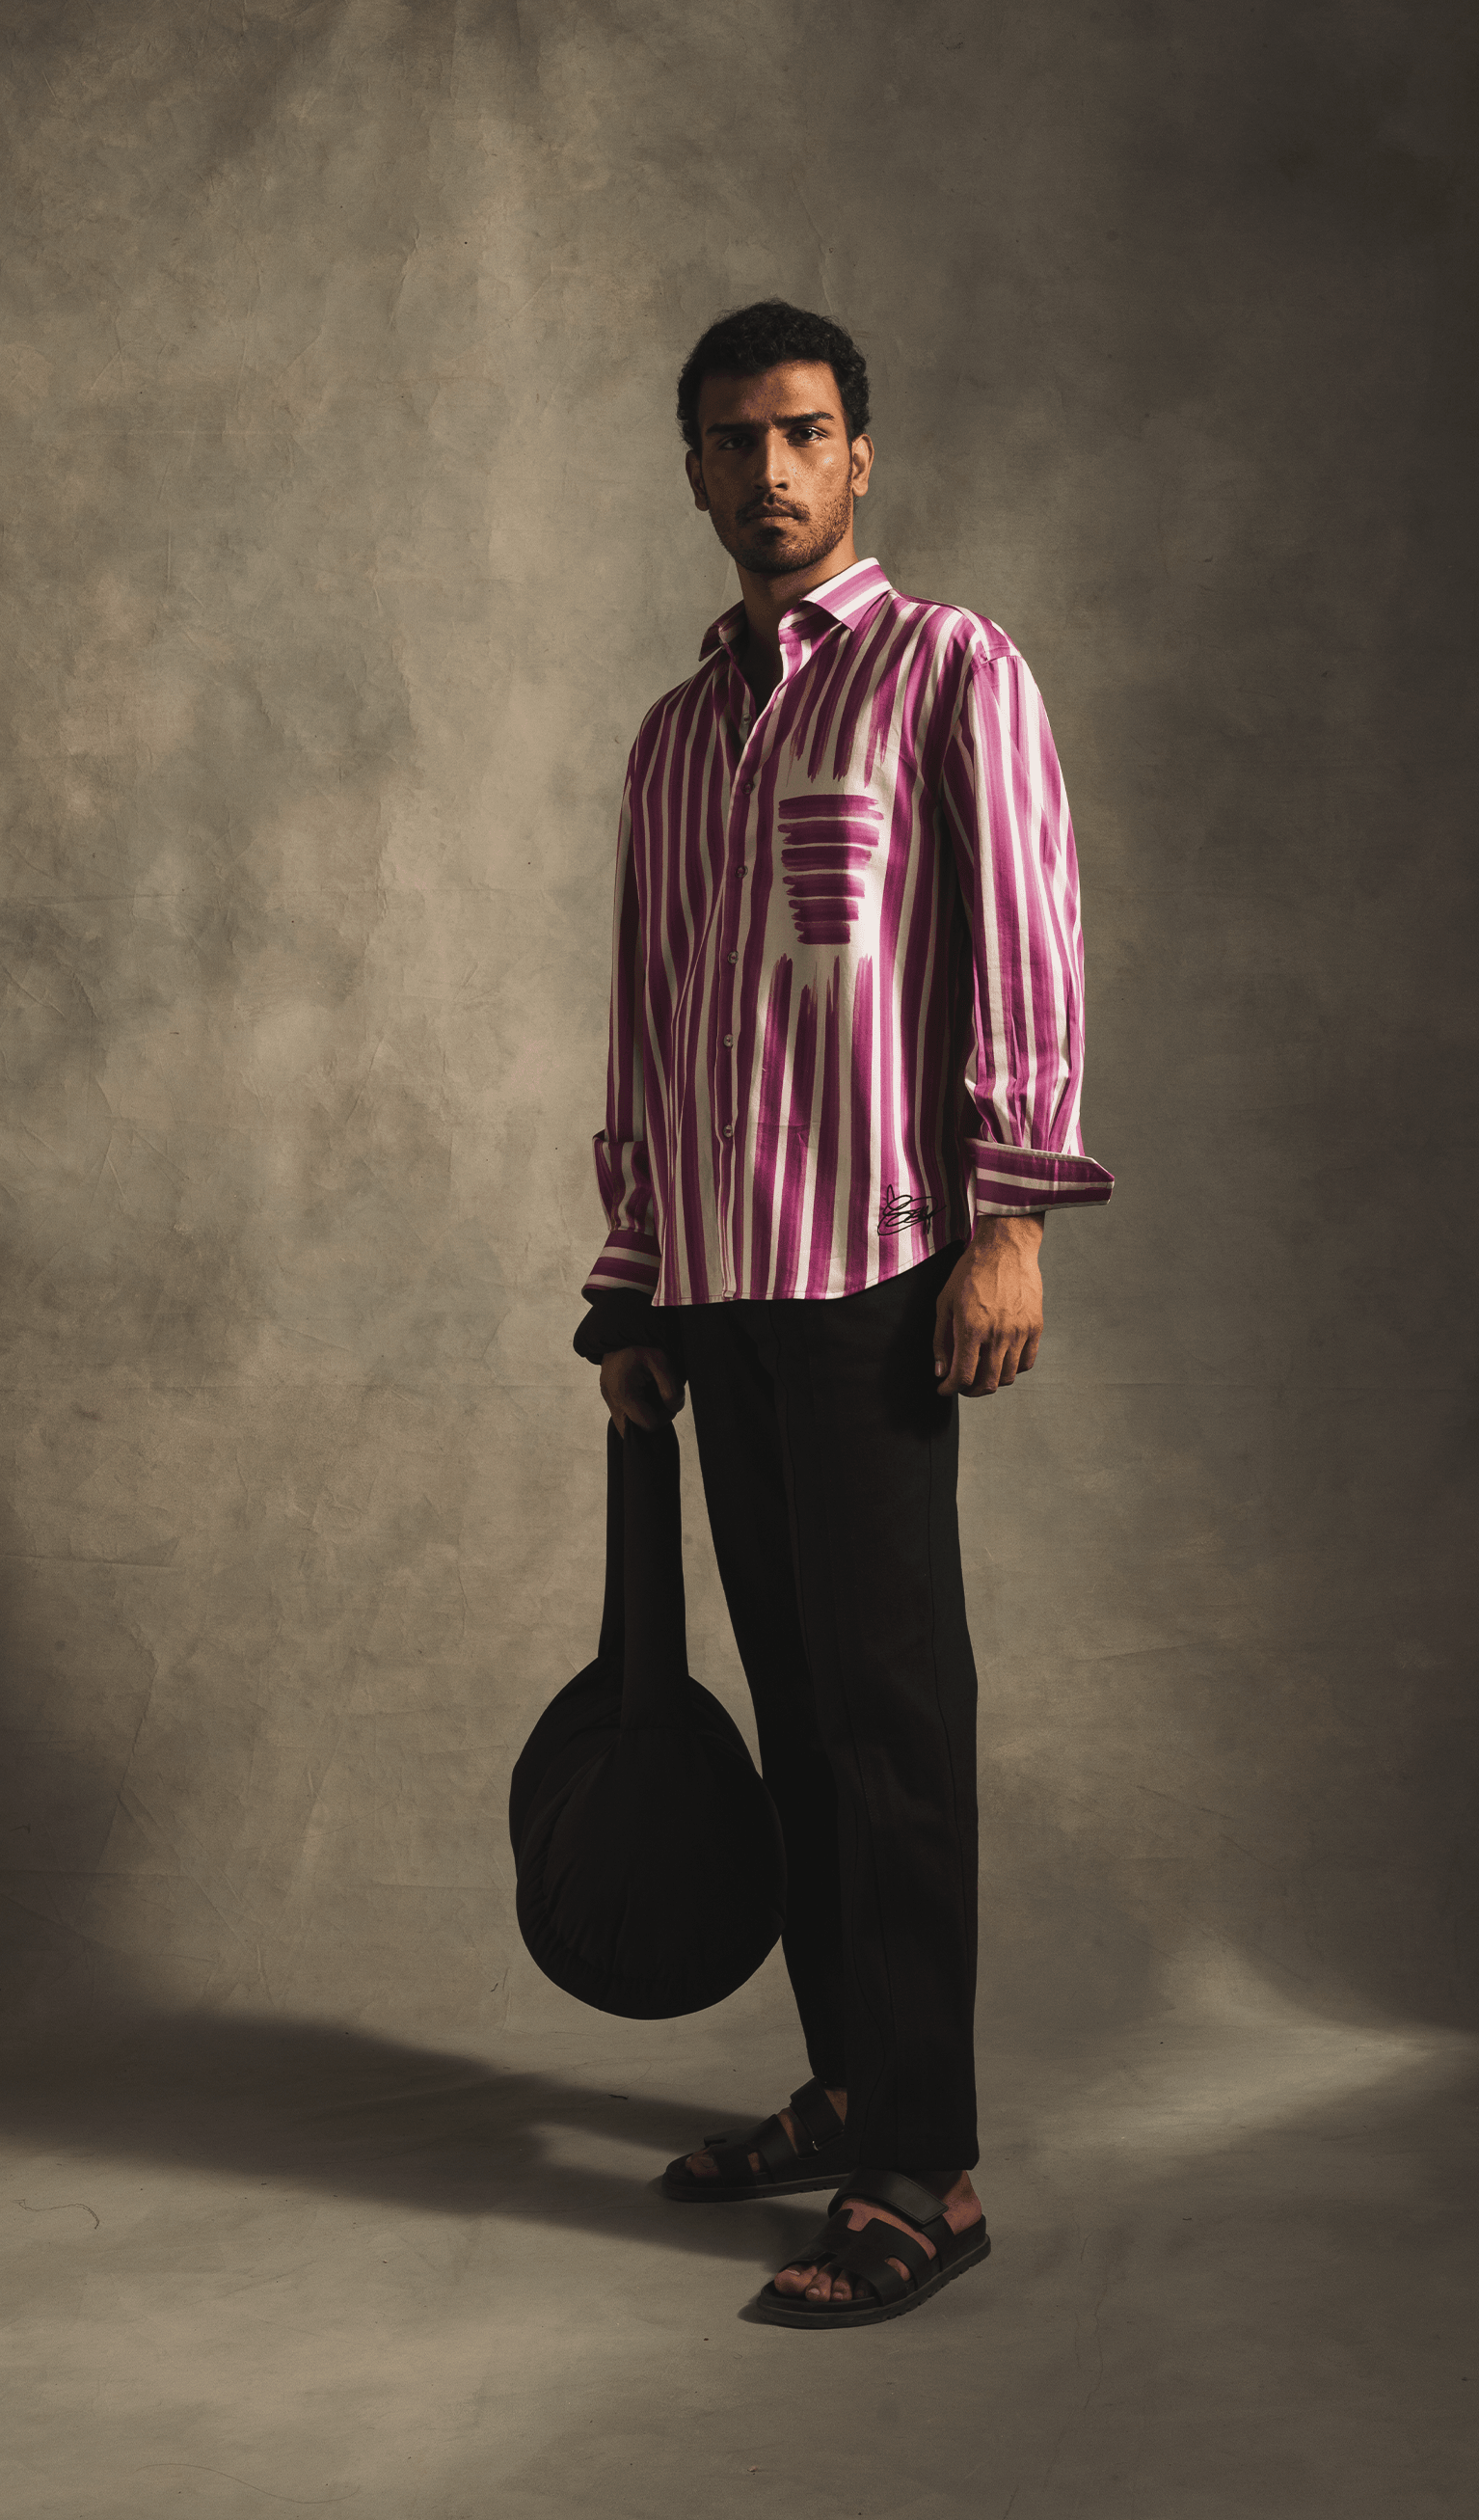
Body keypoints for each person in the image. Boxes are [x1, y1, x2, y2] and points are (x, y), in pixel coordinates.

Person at [571, 298, 1112, 2327]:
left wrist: (1015, 1223)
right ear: (693, 470)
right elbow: (645, 1021)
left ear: (859, 455)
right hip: (717, 1288)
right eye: (733, 442)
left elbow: (1030, 947)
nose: (771, 474)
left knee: (891, 1726)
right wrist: (629, 1280)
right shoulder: (676, 732)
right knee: (796, 1714)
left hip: (882, 1269)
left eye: (804, 434)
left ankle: (927, 2167)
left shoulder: (947, 672)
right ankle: (849, 2085)